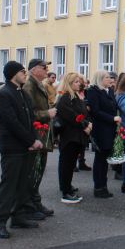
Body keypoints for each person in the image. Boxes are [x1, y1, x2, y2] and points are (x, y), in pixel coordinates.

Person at [0, 61, 43, 239]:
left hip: (26, 146)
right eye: (22, 71)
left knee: (22, 184)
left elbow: (30, 119)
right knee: (9, 185)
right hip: (12, 147)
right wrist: (30, 140)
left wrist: (35, 138)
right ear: (13, 74)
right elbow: (12, 122)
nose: (25, 74)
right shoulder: (4, 94)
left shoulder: (22, 93)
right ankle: (0, 222)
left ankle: (19, 216)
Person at [21, 58, 56, 219]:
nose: (46, 70)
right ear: (34, 69)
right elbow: (28, 113)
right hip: (36, 134)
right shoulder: (29, 86)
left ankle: (35, 202)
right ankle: (30, 205)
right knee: (33, 171)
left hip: (42, 133)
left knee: (38, 170)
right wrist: (46, 114)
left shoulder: (38, 84)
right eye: (43, 67)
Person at [55, 72, 92, 204]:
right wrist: (85, 125)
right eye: (76, 82)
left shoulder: (75, 96)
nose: (79, 84)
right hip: (69, 136)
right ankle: (65, 192)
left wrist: (87, 123)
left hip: (77, 135)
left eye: (79, 81)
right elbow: (72, 116)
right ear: (69, 84)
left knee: (70, 164)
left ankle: (68, 186)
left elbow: (83, 113)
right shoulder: (65, 98)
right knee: (66, 164)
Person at [91, 71, 125, 196]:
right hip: (101, 129)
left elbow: (114, 107)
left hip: (111, 128)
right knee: (100, 159)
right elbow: (95, 111)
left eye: (110, 77)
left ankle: (104, 186)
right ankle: (98, 187)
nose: (110, 79)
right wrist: (112, 118)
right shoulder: (93, 91)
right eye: (107, 77)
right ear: (100, 79)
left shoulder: (110, 91)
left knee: (105, 159)